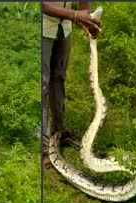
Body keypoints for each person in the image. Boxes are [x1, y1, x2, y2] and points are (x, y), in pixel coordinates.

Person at [42, 2, 101, 167]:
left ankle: (59, 132)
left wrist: (88, 19)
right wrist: (75, 15)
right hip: (44, 26)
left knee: (59, 78)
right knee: (43, 85)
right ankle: (44, 149)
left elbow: (84, 4)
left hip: (64, 28)